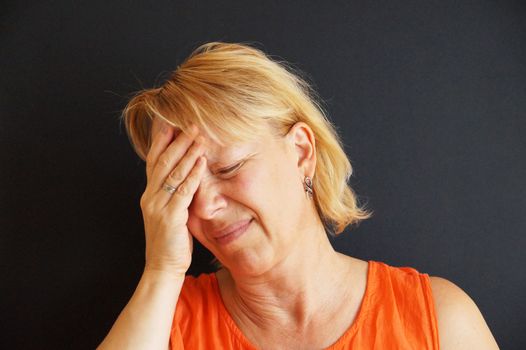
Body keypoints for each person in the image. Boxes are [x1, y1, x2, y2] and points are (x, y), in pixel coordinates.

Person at [98, 42, 499, 349]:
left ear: (302, 152)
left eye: (229, 168)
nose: (204, 206)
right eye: (180, 188)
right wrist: (161, 270)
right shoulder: (164, 324)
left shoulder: (438, 320)